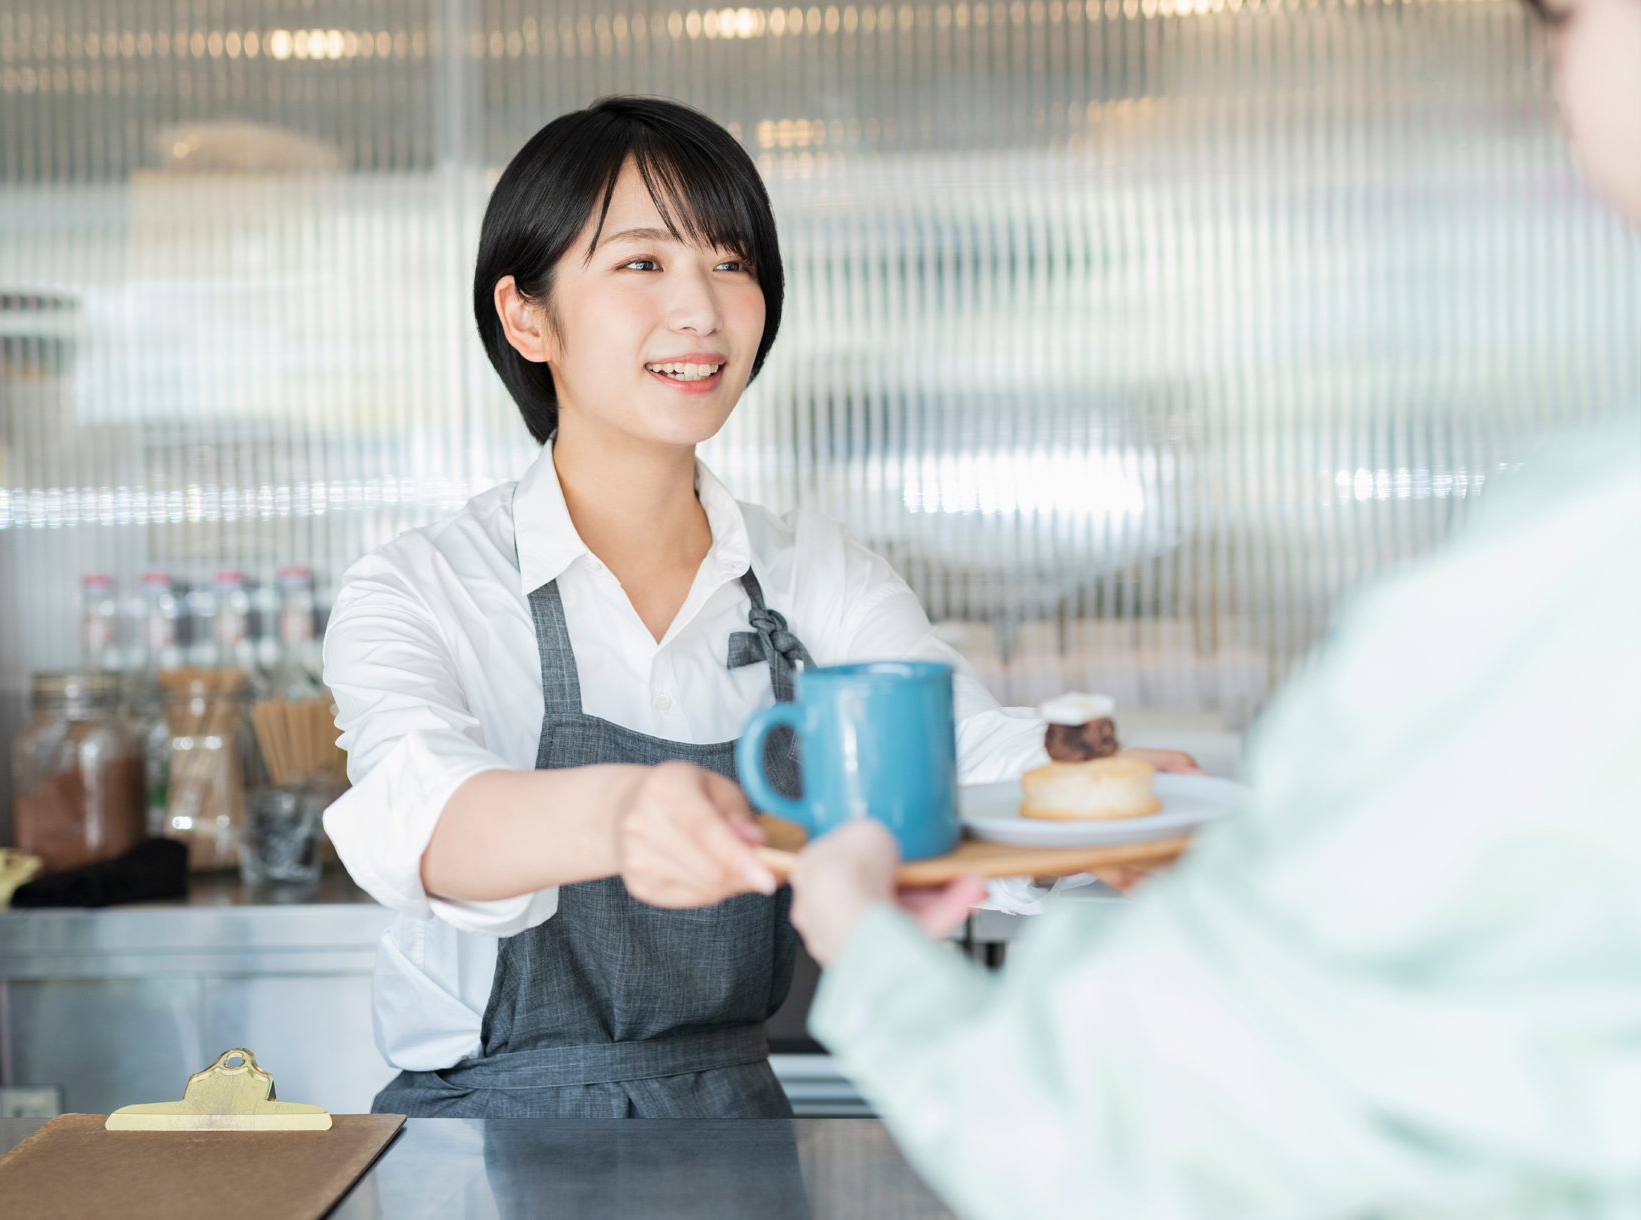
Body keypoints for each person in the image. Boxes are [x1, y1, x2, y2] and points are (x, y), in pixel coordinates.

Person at [785, 0, 1641, 1211]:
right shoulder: (442, 578)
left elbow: (1145, 1118)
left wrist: (869, 944)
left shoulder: (1581, 562)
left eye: (1559, 21)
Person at [320, 95, 1190, 1119]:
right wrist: (629, 812)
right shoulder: (421, 585)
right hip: (477, 1134)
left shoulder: (818, 576)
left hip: (734, 1117)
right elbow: (418, 817)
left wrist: (1095, 800)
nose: (701, 310)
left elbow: (956, 759)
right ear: (526, 315)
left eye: (730, 262)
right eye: (642, 263)